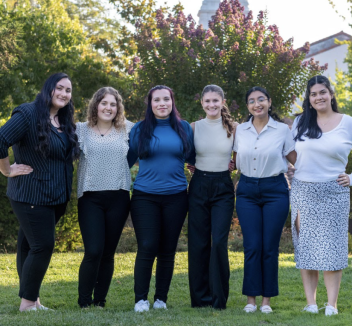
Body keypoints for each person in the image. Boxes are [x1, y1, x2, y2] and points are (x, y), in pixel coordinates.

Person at [291, 75, 352, 316]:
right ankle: (311, 303)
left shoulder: (349, 123)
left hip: (334, 192)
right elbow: (288, 151)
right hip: (302, 191)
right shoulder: (300, 122)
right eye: (313, 94)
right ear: (309, 98)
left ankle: (331, 305)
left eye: (322, 92)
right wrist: (291, 167)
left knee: (333, 248)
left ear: (331, 94)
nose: (318, 97)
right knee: (306, 247)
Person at [0, 72, 79, 312]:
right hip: (31, 194)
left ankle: (33, 300)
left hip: (55, 196)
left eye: (68, 90)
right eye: (60, 88)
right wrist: (6, 170)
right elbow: (0, 139)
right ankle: (27, 304)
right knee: (42, 245)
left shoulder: (63, 120)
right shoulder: (27, 113)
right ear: (48, 89)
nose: (64, 94)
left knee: (28, 246)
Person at [128, 85, 194, 312]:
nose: (162, 103)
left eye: (166, 99)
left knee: (167, 249)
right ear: (150, 103)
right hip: (144, 197)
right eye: (157, 100)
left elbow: (194, 158)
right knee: (147, 245)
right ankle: (141, 299)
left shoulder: (184, 128)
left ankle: (160, 299)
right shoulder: (139, 129)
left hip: (176, 197)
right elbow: (125, 160)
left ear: (172, 102)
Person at [233, 86, 296, 314]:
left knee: (269, 247)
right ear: (248, 106)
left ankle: (266, 301)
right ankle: (250, 300)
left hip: (275, 190)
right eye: (251, 101)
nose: (256, 104)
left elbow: (296, 158)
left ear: (269, 102)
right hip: (247, 190)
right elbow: (233, 159)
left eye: (261, 99)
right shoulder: (240, 130)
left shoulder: (282, 130)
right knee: (252, 246)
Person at [76, 87, 134, 308]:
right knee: (93, 250)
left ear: (118, 108)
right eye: (104, 103)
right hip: (90, 197)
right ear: (95, 105)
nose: (108, 108)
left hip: (118, 197)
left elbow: (137, 153)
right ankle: (84, 301)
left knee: (108, 252)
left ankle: (100, 300)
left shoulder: (128, 130)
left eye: (113, 104)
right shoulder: (80, 130)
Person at [188, 84, 236, 310]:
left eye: (215, 101)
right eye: (207, 101)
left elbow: (241, 155)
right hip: (198, 185)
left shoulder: (234, 128)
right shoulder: (194, 127)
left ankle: (218, 298)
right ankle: (200, 298)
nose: (211, 105)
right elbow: (188, 156)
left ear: (222, 102)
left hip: (223, 187)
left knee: (218, 242)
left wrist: (235, 163)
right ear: (202, 104)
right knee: (198, 242)